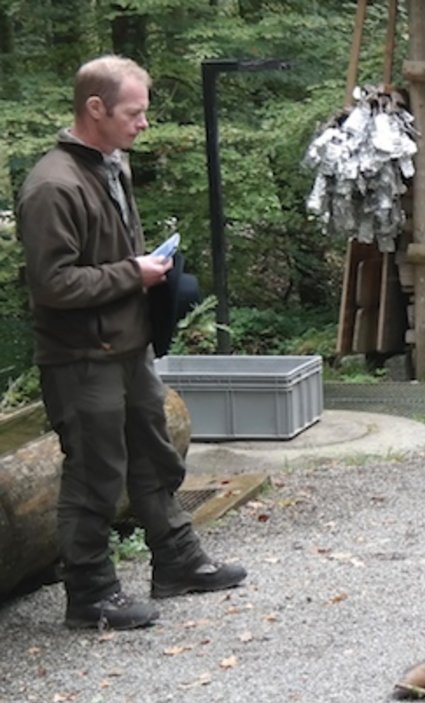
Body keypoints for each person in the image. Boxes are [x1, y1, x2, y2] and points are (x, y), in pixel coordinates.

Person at [16, 55, 246, 631]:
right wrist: (133, 274)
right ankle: (91, 594)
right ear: (95, 109)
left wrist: (154, 277)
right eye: (134, 112)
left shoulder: (112, 166)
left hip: (128, 347)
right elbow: (52, 285)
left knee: (154, 456)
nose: (144, 123)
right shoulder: (52, 185)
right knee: (95, 473)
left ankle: (177, 560)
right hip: (80, 359)